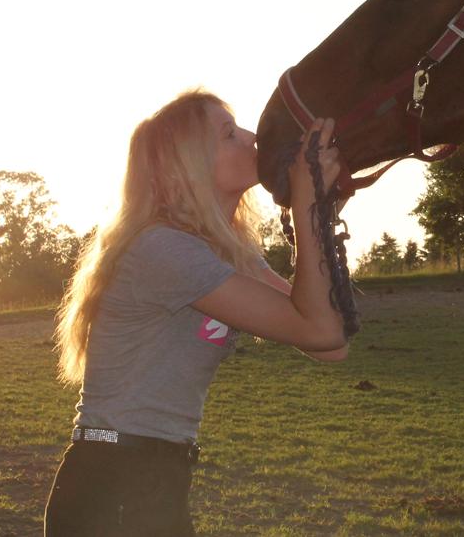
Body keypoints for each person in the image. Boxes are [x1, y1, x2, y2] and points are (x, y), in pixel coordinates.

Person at [44, 89, 348, 536]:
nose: (251, 138)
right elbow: (320, 331)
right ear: (186, 168)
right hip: (113, 487)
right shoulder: (164, 249)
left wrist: (317, 210)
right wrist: (306, 204)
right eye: (229, 134)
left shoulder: (230, 253)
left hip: (153, 480)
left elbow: (331, 345)